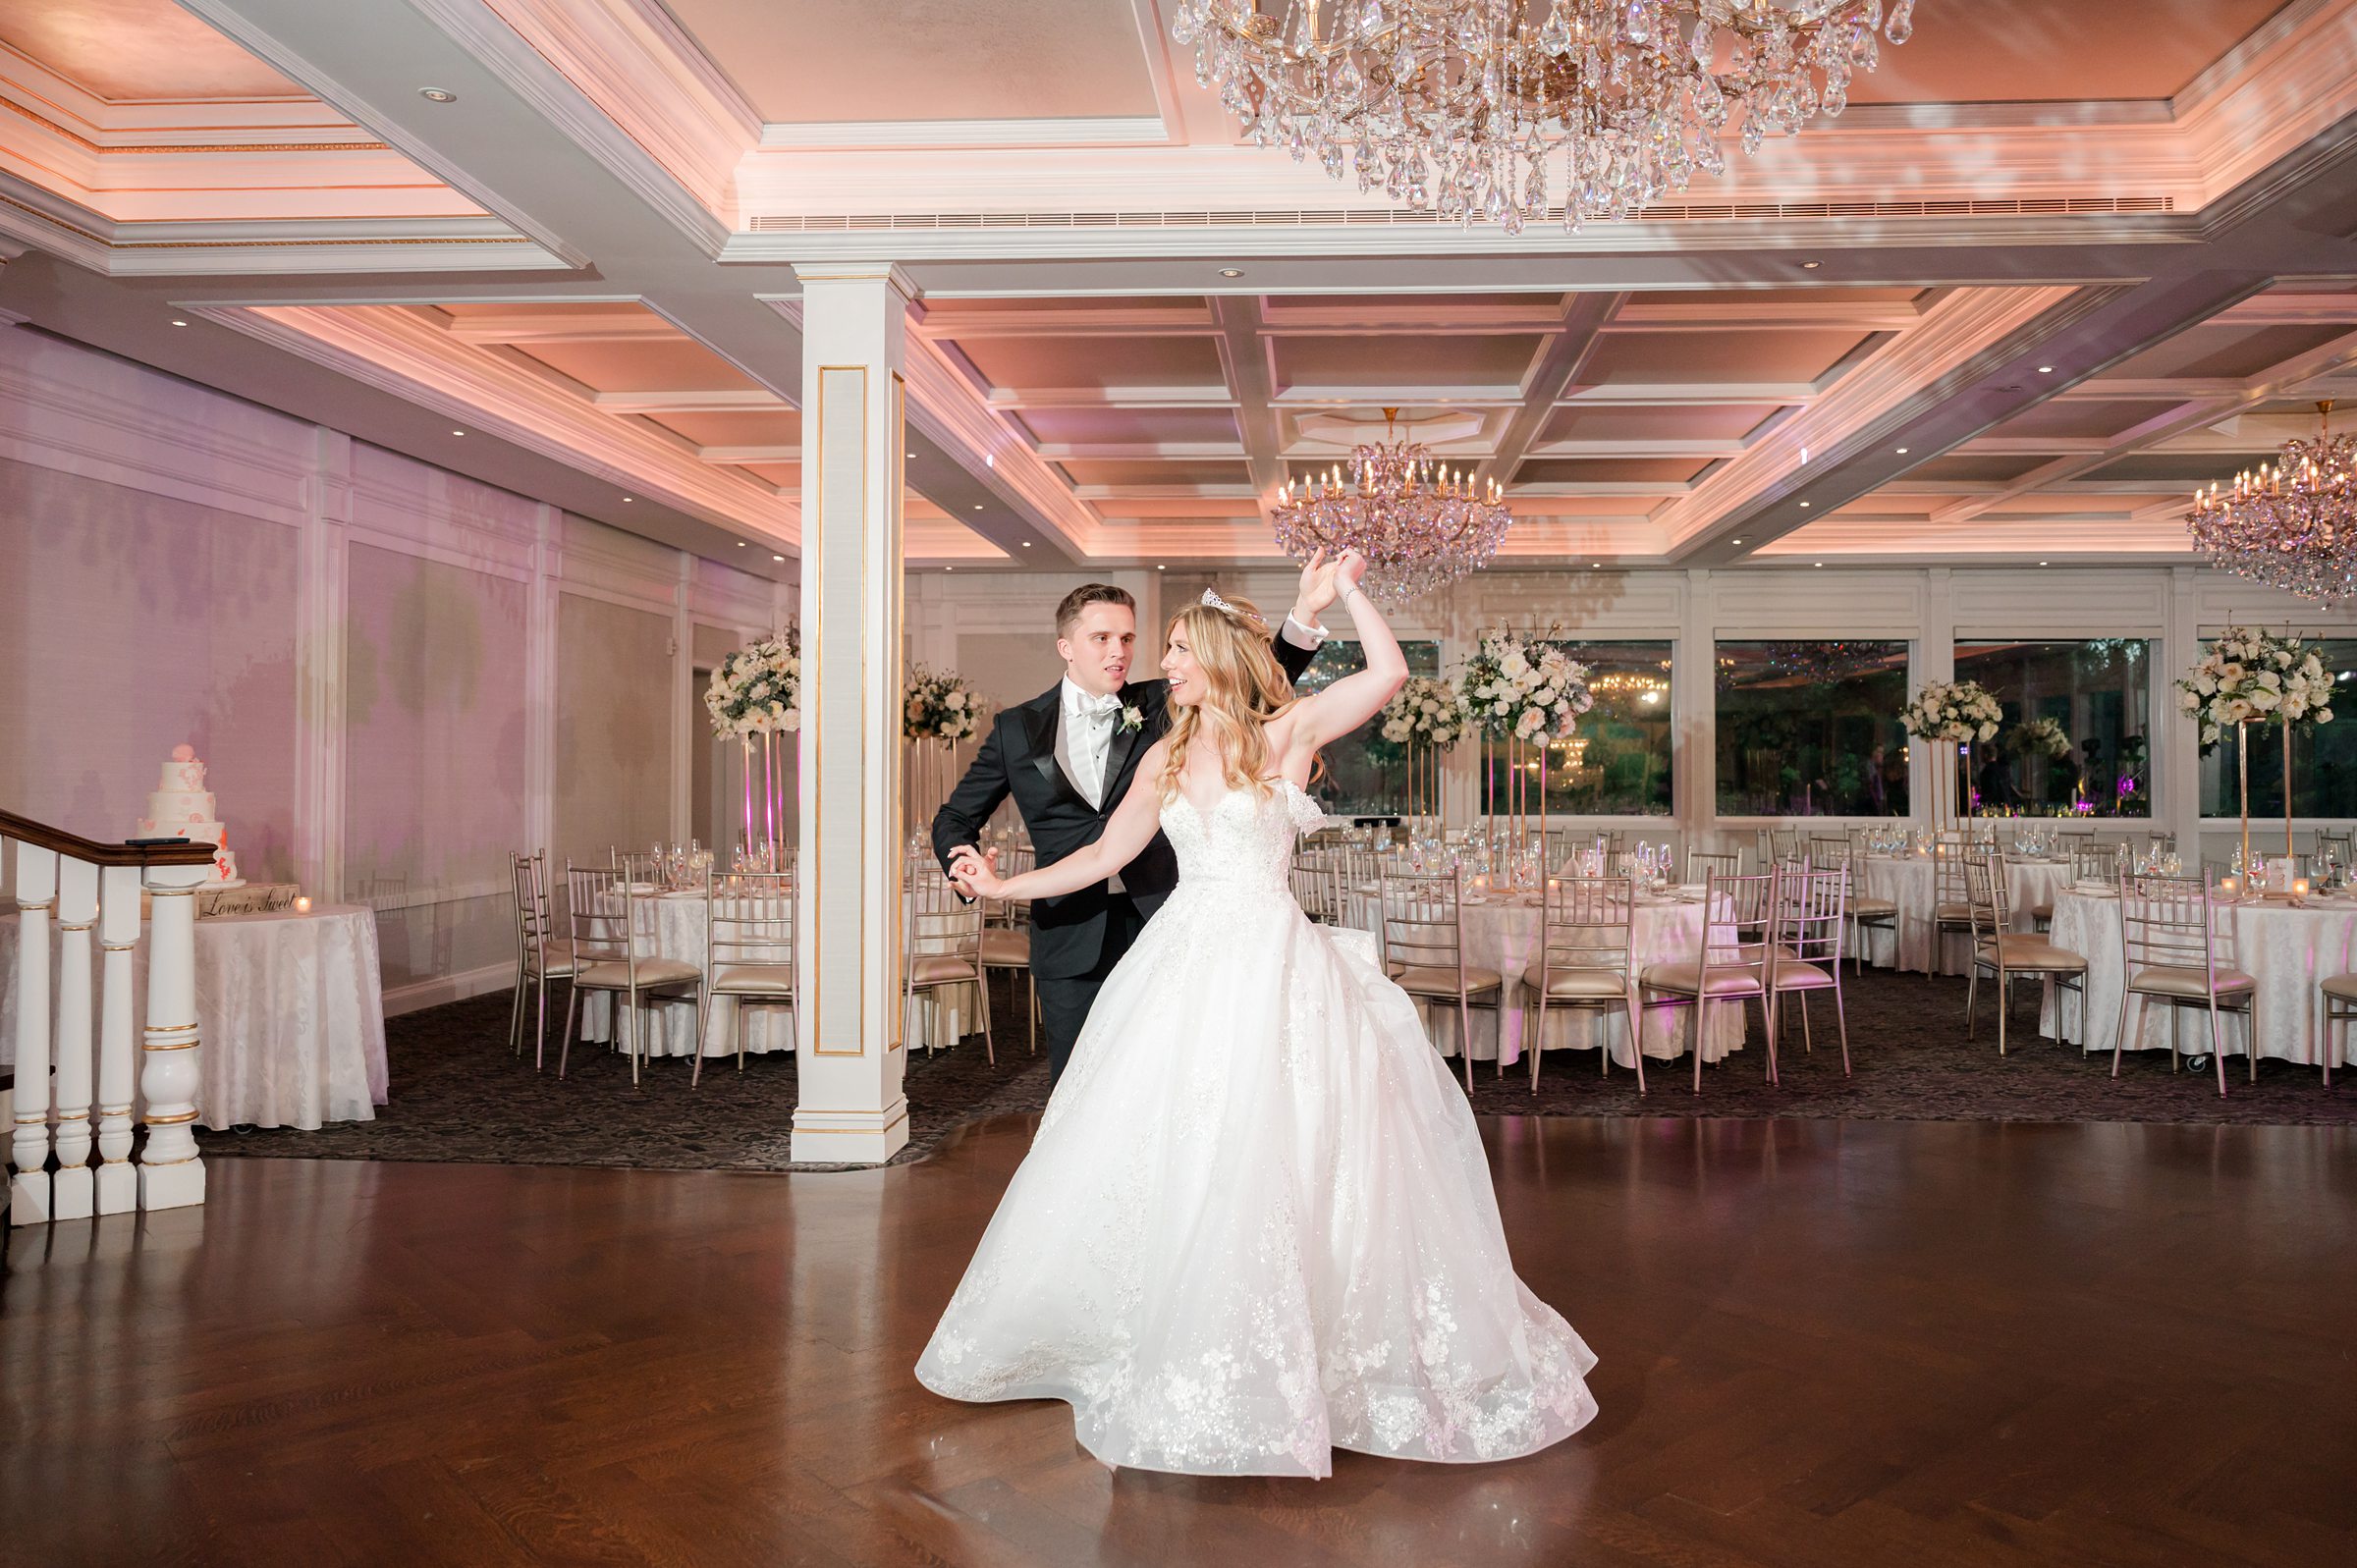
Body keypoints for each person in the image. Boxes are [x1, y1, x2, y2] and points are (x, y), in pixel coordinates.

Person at [913, 554, 1598, 1478]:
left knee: (1290, 1143)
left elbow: (1390, 674)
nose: (1162, 665)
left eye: (1175, 649)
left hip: (1277, 964)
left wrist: (1346, 589)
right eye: (1155, 649)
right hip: (1181, 962)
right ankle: (1154, 1316)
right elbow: (1100, 857)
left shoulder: (1287, 731)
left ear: (1217, 657)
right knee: (1169, 1140)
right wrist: (1001, 884)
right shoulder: (1159, 751)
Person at [930, 558, 1337, 1085]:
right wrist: (963, 865)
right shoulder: (1016, 729)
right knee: (1078, 1086)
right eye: (1101, 638)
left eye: (1126, 637)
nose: (1118, 651)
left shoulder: (1167, 700)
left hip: (1165, 920)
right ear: (1066, 647)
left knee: (1170, 1084)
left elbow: (1249, 675)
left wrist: (1305, 611)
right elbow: (956, 815)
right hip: (1069, 930)